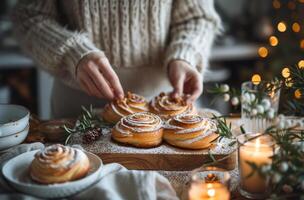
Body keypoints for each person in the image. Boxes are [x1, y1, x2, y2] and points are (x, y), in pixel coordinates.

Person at [12, 0, 221, 118]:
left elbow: (198, 17)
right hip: (77, 108)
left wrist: (185, 54)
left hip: (167, 104)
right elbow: (28, 16)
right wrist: (72, 51)